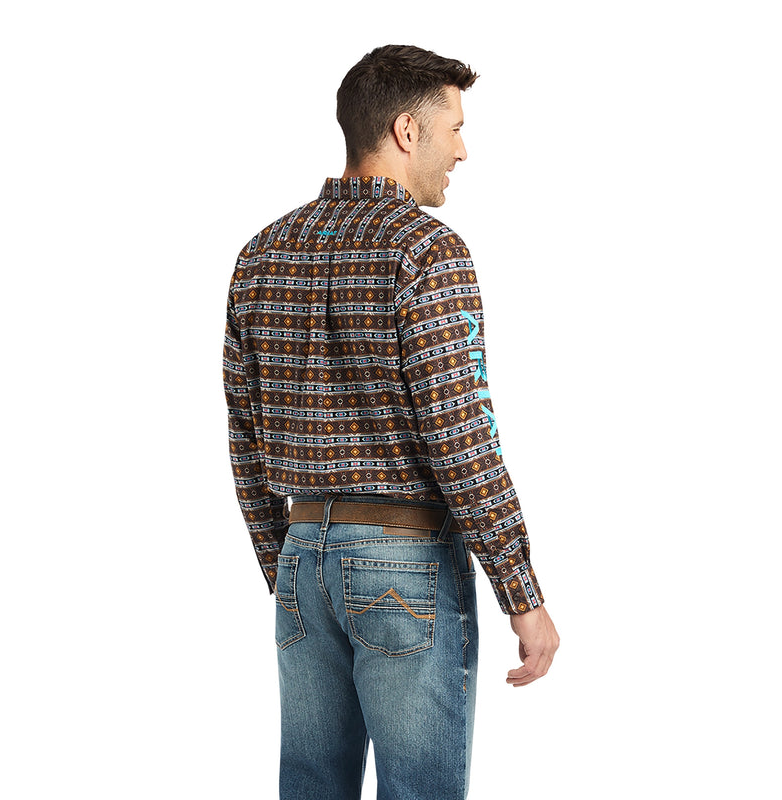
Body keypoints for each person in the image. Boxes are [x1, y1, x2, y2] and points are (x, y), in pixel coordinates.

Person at [223, 44, 559, 800]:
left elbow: (245, 439)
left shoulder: (261, 255)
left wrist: (286, 566)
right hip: (405, 561)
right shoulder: (427, 253)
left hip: (301, 558)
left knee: (311, 788)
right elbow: (461, 439)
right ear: (408, 130)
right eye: (456, 129)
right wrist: (522, 594)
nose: (463, 150)